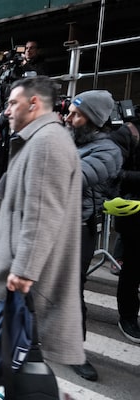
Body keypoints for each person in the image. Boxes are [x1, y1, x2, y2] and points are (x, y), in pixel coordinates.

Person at [0, 76, 85, 398]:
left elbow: (43, 212)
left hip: (29, 273)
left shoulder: (47, 142)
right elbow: (20, 198)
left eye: (12, 103)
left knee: (22, 350)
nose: (6, 111)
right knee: (16, 351)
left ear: (34, 104)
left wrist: (25, 270)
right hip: (21, 267)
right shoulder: (34, 140)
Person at [64, 89, 122, 381]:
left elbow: (73, 177)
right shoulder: (68, 139)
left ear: (92, 119)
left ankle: (75, 352)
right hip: (52, 225)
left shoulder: (108, 151)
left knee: (71, 291)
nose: (68, 118)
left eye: (75, 114)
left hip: (78, 229)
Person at [109, 121, 140, 344]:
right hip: (134, 214)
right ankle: (128, 316)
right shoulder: (129, 131)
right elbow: (112, 173)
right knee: (132, 270)